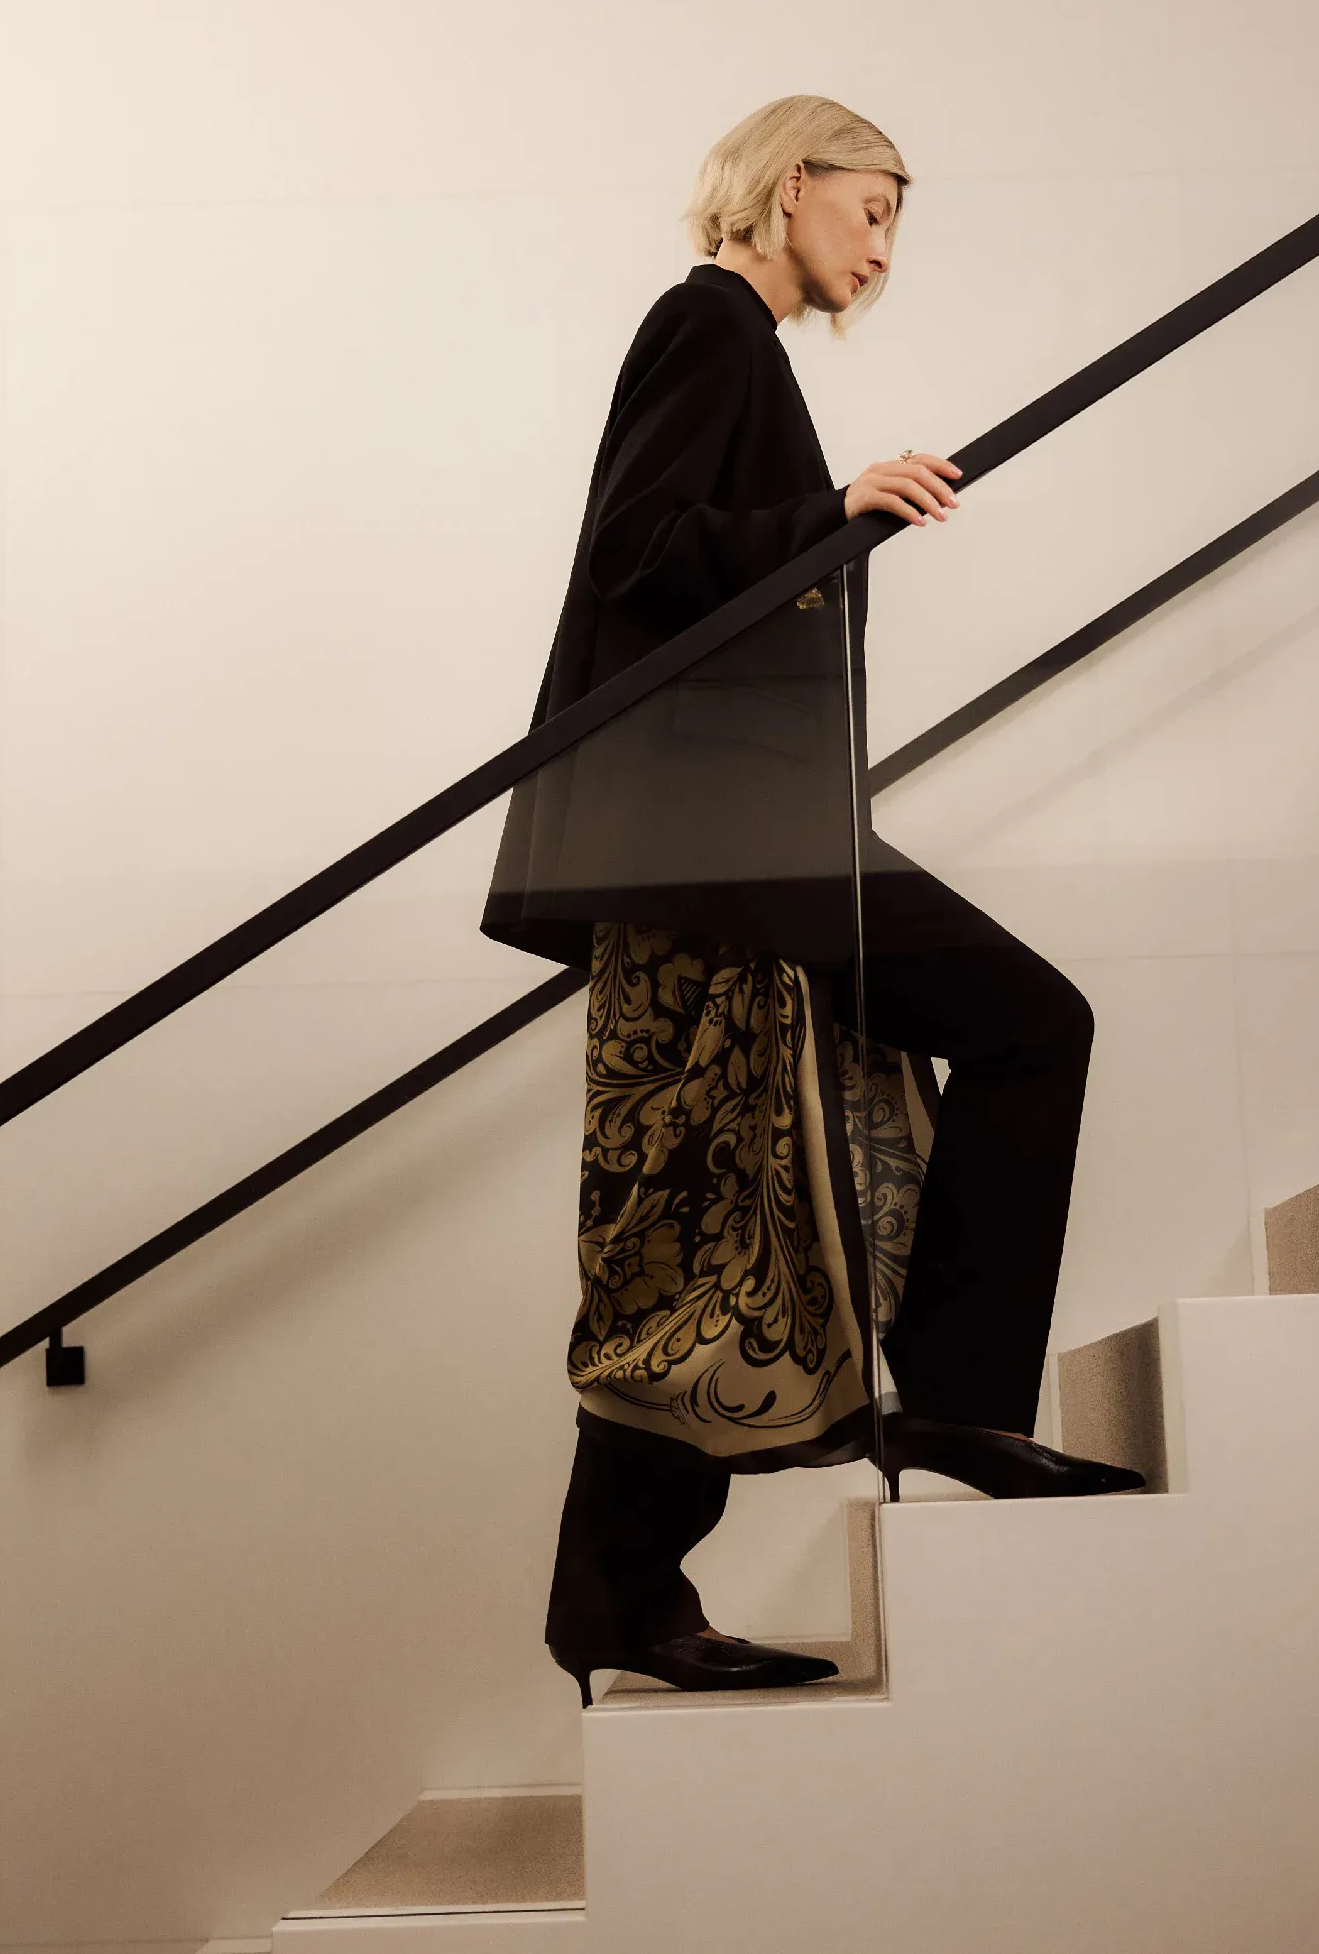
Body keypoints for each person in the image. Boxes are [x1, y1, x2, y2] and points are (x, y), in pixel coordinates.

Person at [482, 95, 1141, 1708]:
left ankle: (618, 1595)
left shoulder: (740, 346)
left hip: (737, 839)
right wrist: (827, 515)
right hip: (722, 840)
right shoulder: (708, 324)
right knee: (1025, 1027)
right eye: (872, 209)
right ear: (791, 189)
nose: (883, 248)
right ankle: (957, 1406)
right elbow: (635, 549)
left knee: (708, 1204)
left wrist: (820, 531)